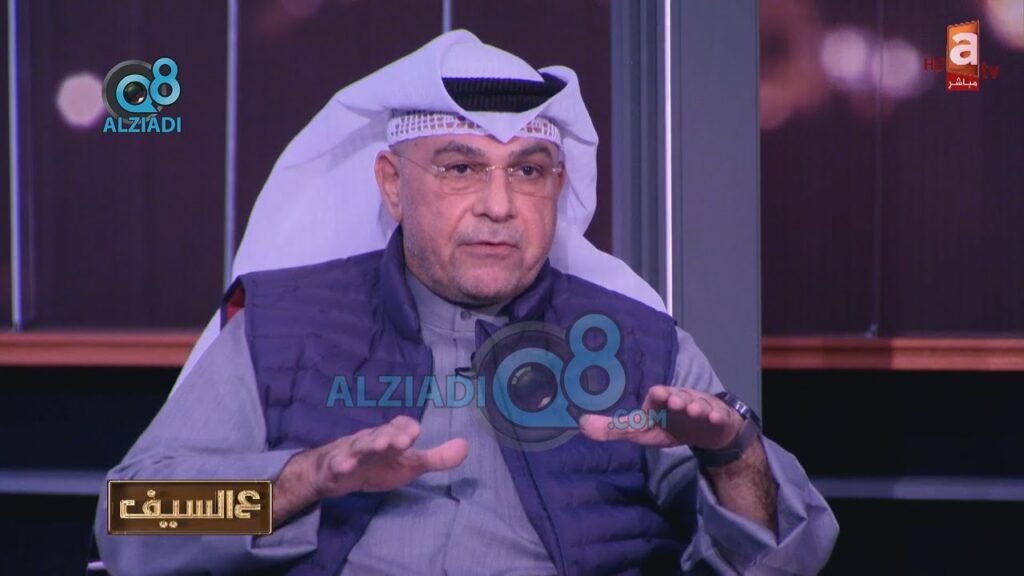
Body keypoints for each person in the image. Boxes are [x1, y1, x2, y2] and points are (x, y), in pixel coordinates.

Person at [94, 30, 838, 575]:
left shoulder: (637, 341)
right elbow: (133, 518)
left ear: (557, 186)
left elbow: (782, 561)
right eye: (460, 168)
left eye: (528, 171)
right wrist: (306, 477)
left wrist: (734, 456)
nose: (498, 206)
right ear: (393, 184)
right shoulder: (281, 328)